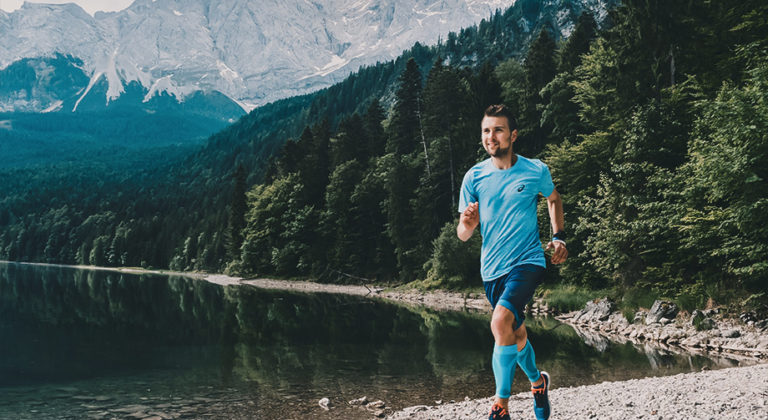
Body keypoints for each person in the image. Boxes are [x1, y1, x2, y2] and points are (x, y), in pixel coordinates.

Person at [457, 104, 567, 420]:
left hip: (528, 261)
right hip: (492, 270)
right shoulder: (473, 177)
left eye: (499, 129)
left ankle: (500, 406)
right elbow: (463, 235)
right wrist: (469, 222)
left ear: (513, 135)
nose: (492, 136)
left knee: (499, 322)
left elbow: (554, 198)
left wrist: (558, 236)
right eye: (486, 130)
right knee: (515, 335)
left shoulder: (535, 170)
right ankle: (538, 383)